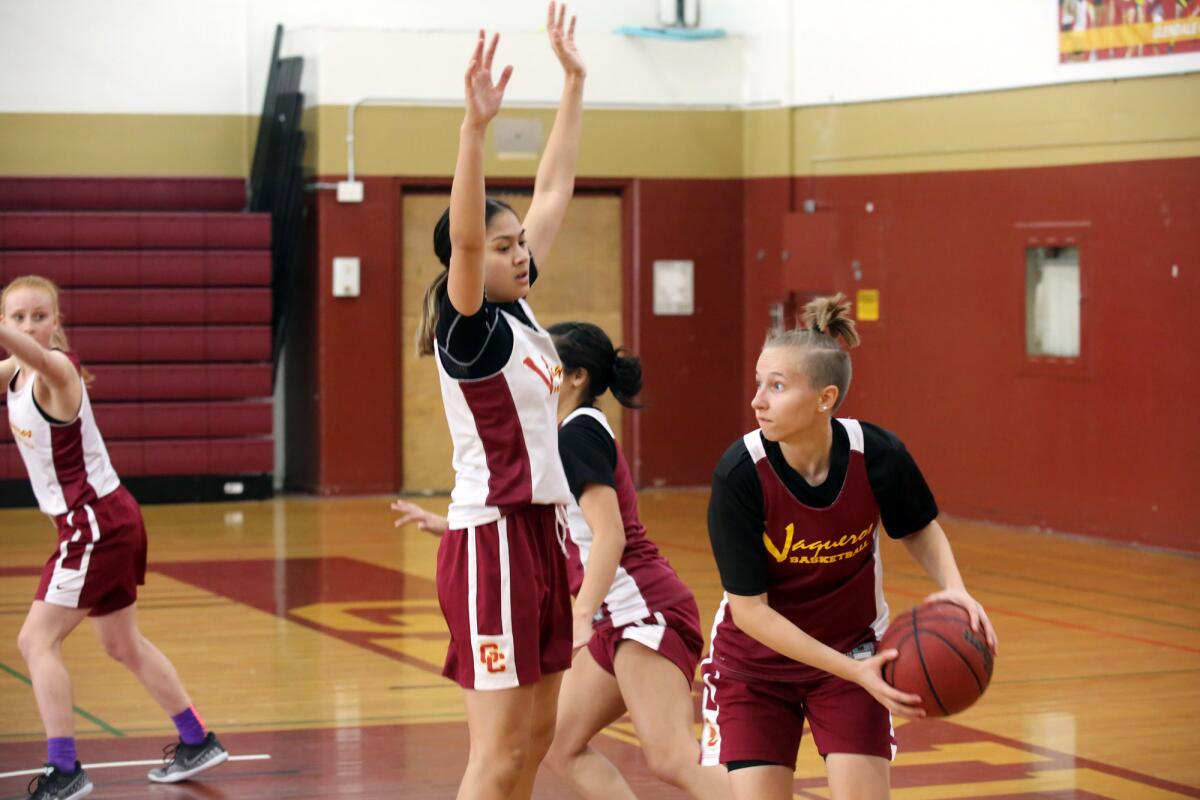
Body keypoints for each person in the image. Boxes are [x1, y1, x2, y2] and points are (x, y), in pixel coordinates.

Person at [396, 322, 732, 800]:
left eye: (547, 364)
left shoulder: (577, 434)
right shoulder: (559, 434)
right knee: (560, 744)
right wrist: (447, 525)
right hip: (611, 615)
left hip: (642, 611)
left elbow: (610, 535)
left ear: (574, 377)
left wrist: (578, 615)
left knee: (672, 757)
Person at [699, 294, 998, 800]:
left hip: (852, 651)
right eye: (758, 383)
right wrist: (854, 670)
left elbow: (918, 527)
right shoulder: (740, 474)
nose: (758, 400)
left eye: (777, 386)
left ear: (825, 398)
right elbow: (750, 612)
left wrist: (956, 590)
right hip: (756, 664)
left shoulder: (878, 455)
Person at [411, 4, 585, 798]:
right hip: (491, 541)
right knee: (497, 749)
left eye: (522, 243)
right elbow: (472, 241)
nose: (523, 252)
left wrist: (574, 85)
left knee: (536, 742)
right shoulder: (471, 325)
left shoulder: (521, 308)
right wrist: (473, 131)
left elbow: (553, 187)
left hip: (542, 535)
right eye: (506, 246)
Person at [1, 275, 227, 800]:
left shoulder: (58, 374)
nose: (31, 326)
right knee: (121, 642)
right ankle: (196, 740)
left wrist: (8, 333)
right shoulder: (15, 371)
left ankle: (65, 770)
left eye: (40, 316)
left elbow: (39, 358)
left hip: (94, 523)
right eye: (19, 317)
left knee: (35, 641)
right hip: (108, 518)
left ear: (57, 323)